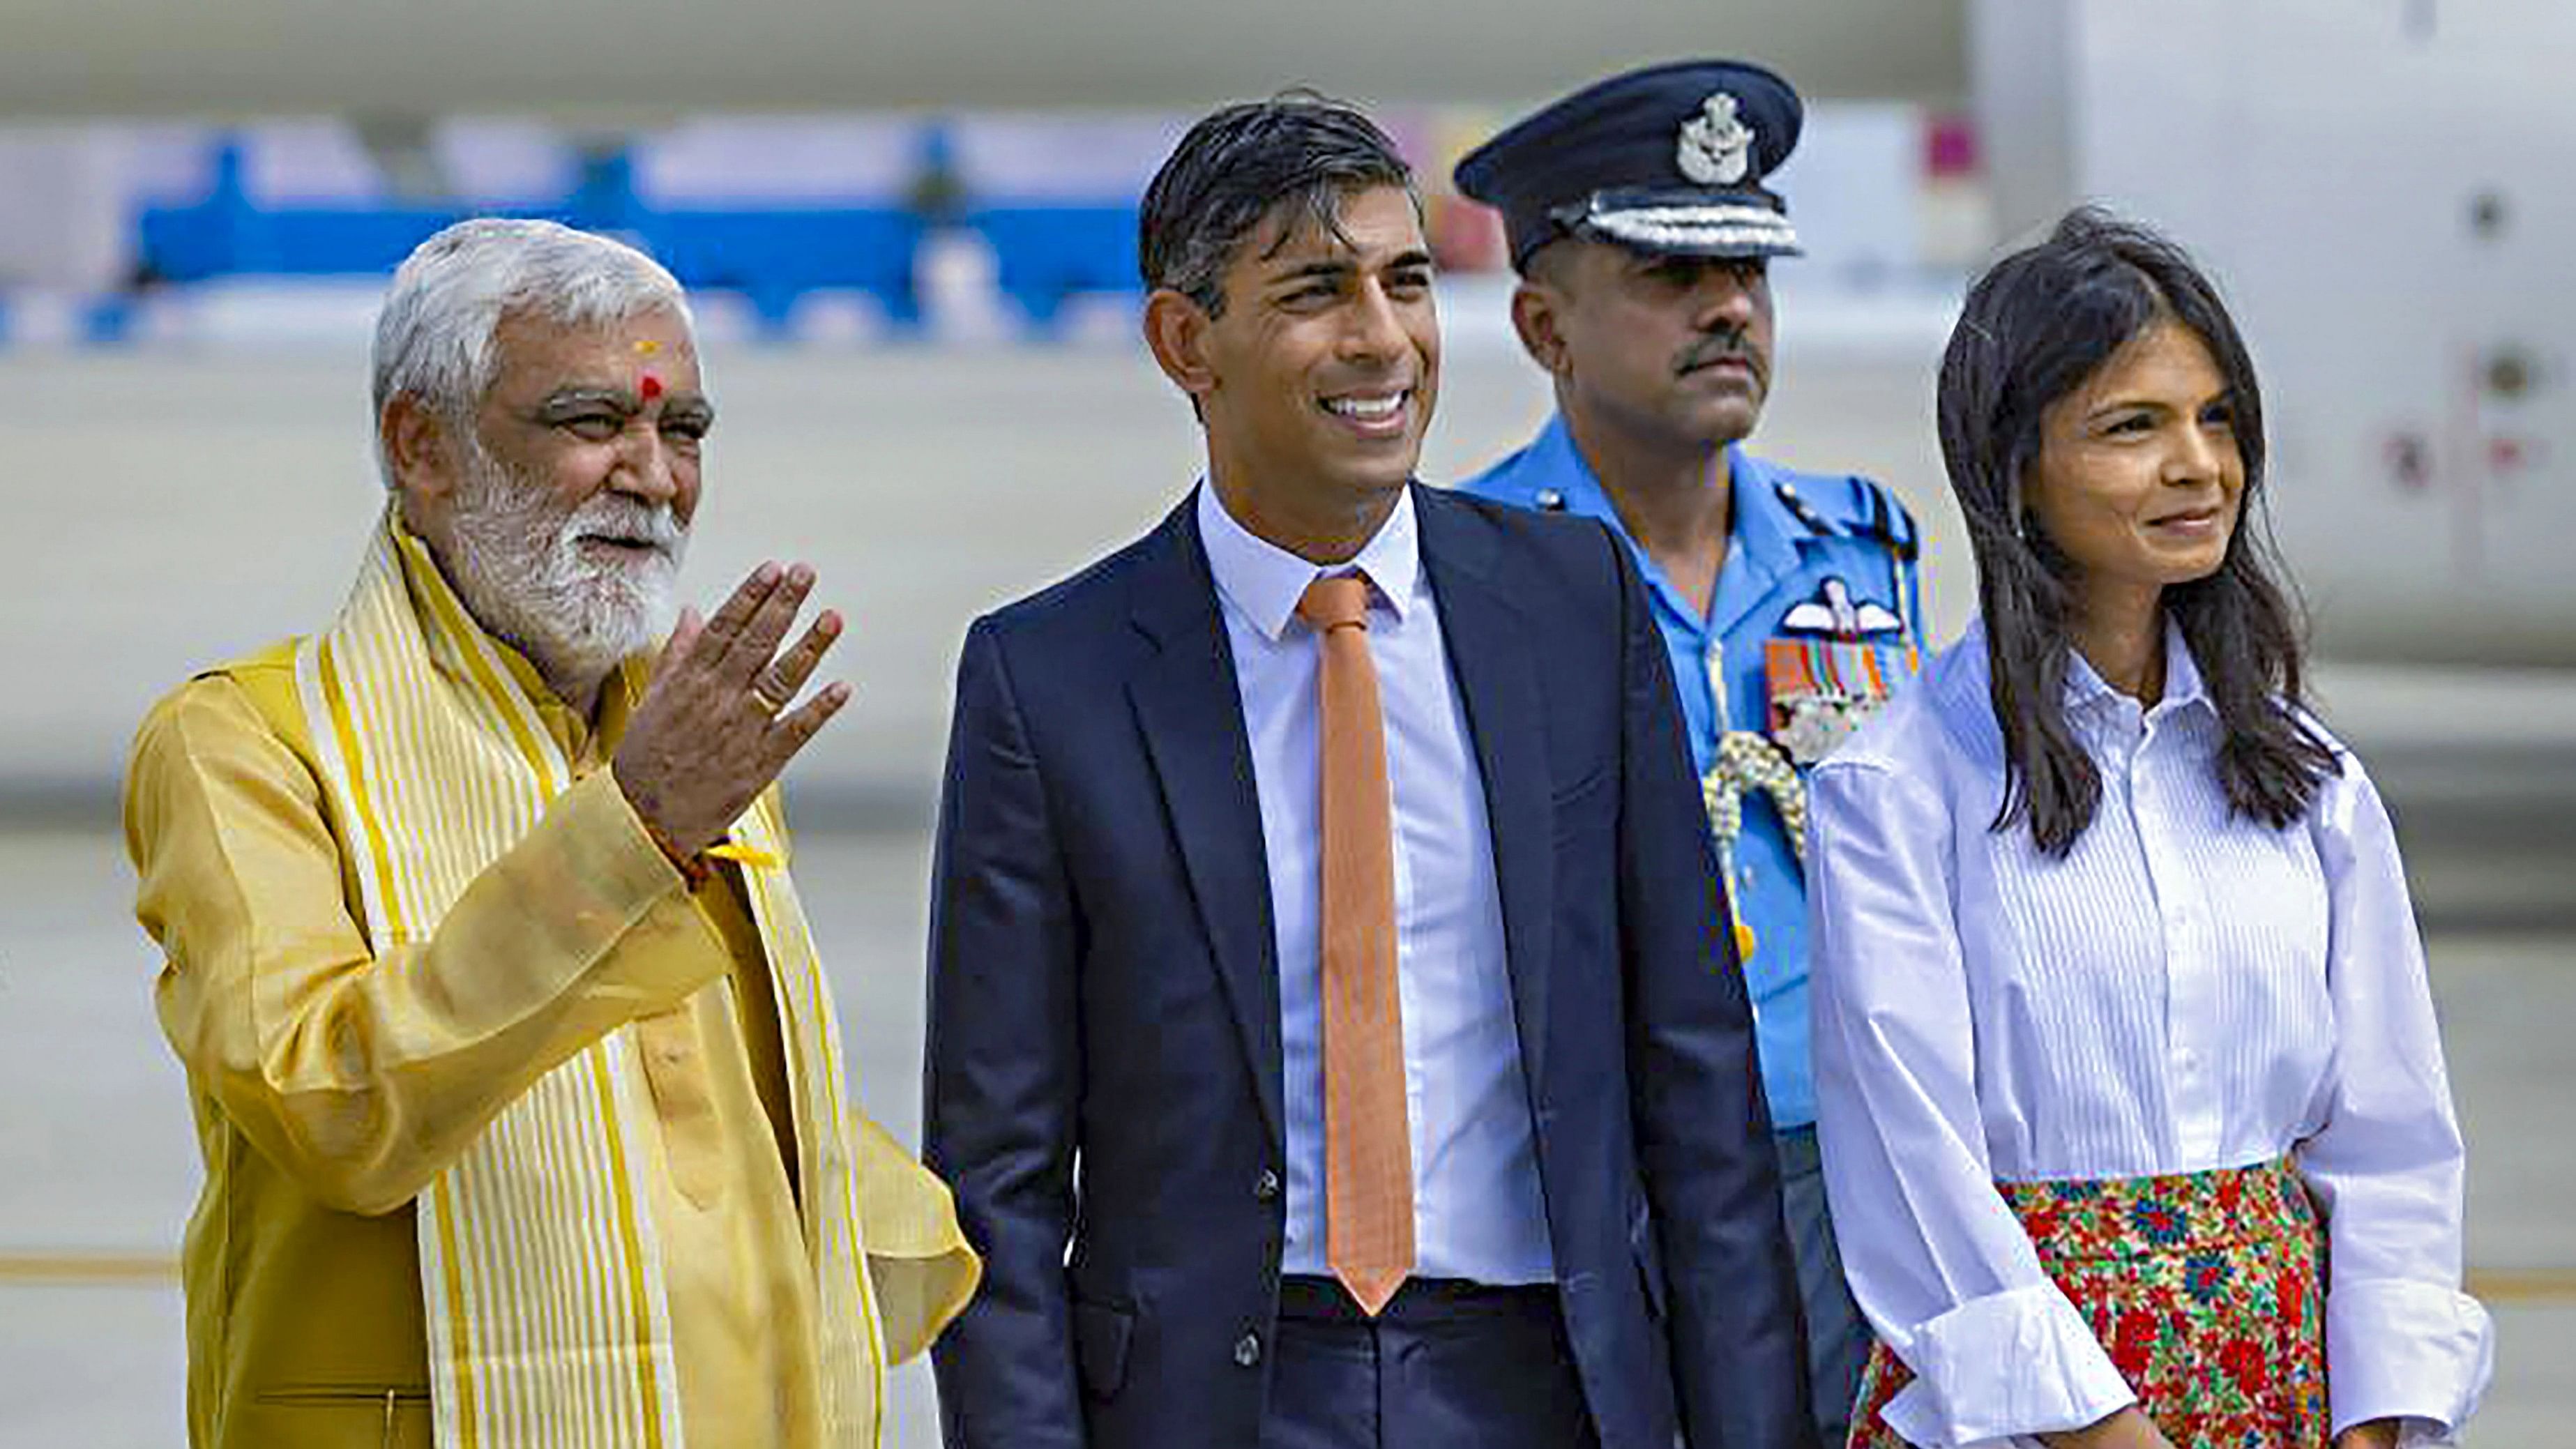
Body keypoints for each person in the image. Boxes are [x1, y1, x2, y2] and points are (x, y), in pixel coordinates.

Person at [923, 95, 1814, 1449]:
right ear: (1185, 344)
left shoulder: (1573, 610)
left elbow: (1698, 1098)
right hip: (1216, 1397)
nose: (1380, 338)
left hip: (1544, 1381)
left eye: (1405, 282)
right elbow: (995, 1177)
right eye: (1313, 292)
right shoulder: (1049, 680)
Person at [123, 218, 978, 1449]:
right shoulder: (244, 745)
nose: (653, 474)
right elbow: (327, 1103)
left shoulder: (686, 731)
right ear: (422, 446)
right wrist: (627, 833)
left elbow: (727, 1101)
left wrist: (992, 1255)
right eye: (592, 423)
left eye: (682, 430)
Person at [1805, 208, 2492, 1449]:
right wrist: (2098, 1431)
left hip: (2288, 1380)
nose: (2199, 464)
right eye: (2134, 426)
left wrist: (2377, 1417)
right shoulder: (1897, 789)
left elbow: (2391, 1140)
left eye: (2216, 416)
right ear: (2012, 465)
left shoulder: (2310, 780)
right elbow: (1915, 1169)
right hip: (2021, 1409)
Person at [1454, 59, 1923, 1445]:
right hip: (1602, 1174)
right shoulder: (1475, 571)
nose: (1727, 308)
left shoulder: (1860, 552)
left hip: (1845, 1161)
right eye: (1668, 272)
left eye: (1748, 271)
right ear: (1542, 323)